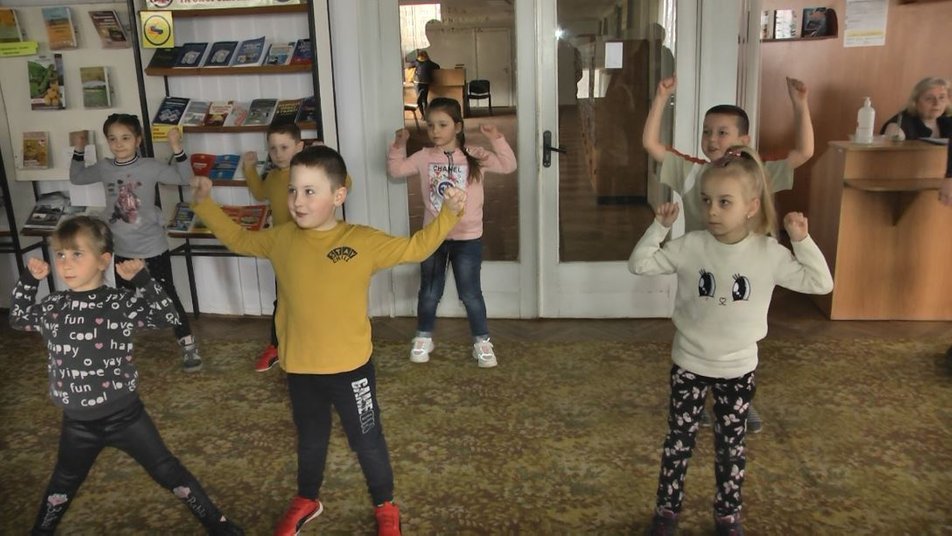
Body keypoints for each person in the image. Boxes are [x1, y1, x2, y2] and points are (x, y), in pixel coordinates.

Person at [190, 145, 466, 536]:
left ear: (338, 195)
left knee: (366, 440)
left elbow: (416, 247)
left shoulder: (362, 241)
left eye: (309, 191)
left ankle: (385, 504)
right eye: (293, 190)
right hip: (301, 369)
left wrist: (449, 213)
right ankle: (307, 498)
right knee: (310, 439)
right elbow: (238, 239)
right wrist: (204, 204)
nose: (297, 201)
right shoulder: (280, 239)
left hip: (351, 369)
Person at [628, 147, 833, 536]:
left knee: (731, 447)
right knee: (678, 443)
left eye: (725, 202)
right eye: (706, 201)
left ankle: (727, 515)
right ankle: (667, 511)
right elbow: (639, 264)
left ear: (752, 206)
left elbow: (821, 283)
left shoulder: (768, 253)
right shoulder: (690, 246)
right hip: (689, 365)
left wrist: (802, 240)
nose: (712, 211)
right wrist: (659, 227)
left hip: (738, 370)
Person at [9, 216, 243, 535]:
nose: (65, 263)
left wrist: (143, 279)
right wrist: (29, 280)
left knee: (168, 470)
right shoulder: (53, 306)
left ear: (103, 260)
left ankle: (218, 524)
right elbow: (19, 317)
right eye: (60, 254)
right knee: (62, 485)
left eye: (77, 254)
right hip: (77, 424)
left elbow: (168, 316)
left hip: (127, 417)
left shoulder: (120, 302)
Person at [642, 76, 815, 433]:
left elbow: (804, 153)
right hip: (703, 271)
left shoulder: (759, 174)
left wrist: (800, 105)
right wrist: (660, 98)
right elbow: (650, 144)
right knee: (698, 336)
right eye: (707, 132)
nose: (712, 139)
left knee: (740, 340)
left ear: (744, 140)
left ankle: (739, 401)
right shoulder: (692, 171)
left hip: (746, 274)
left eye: (723, 132)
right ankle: (696, 399)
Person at [387, 97, 517, 368]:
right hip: (433, 238)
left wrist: (496, 138)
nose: (435, 131)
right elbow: (396, 170)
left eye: (442, 124)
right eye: (430, 125)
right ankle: (423, 337)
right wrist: (399, 145)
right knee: (429, 292)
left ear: (457, 127)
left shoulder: (475, 155)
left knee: (470, 294)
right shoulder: (424, 157)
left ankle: (482, 342)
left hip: (468, 238)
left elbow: (508, 165)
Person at [70, 114, 202, 372]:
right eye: (112, 139)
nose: (119, 144)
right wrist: (78, 149)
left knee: (167, 296)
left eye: (125, 138)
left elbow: (185, 178)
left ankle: (187, 344)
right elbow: (77, 177)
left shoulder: (150, 166)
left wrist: (177, 148)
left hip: (153, 247)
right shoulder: (105, 167)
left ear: (138, 140)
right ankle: (119, 350)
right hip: (122, 248)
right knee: (124, 301)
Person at [241, 121, 305, 372]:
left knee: (309, 297)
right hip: (283, 249)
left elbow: (344, 183)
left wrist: (323, 155)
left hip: (309, 247)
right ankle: (276, 346)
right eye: (273, 148)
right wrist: (249, 168)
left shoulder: (310, 170)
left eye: (284, 147)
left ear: (299, 147)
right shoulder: (273, 176)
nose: (278, 154)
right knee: (283, 299)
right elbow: (260, 193)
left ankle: (310, 343)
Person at [881, 77, 951, 141]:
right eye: (929, 98)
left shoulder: (947, 122)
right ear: (915, 102)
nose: (937, 103)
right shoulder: (899, 125)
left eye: (942, 98)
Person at [413, 50, 440, 120]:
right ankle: (426, 116)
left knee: (419, 101)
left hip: (417, 82)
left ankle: (423, 116)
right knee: (424, 100)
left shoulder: (416, 62)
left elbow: (409, 66)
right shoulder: (429, 62)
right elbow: (438, 66)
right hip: (425, 82)